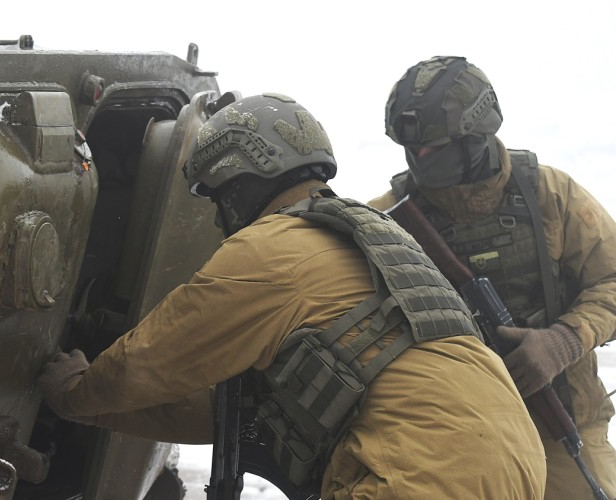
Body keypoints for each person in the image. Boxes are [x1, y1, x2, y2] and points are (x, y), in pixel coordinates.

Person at [39, 93, 546, 498]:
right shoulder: (371, 236)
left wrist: (73, 390)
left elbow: (147, 362)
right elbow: (224, 413)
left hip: (420, 472)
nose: (220, 218)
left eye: (218, 197)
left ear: (239, 180)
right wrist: (92, 410)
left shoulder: (268, 251)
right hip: (513, 458)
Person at [368, 55, 616, 499]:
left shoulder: (549, 195)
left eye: (433, 148)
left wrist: (564, 340)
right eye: (412, 150)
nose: (420, 159)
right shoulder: (387, 218)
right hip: (451, 437)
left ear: (478, 135)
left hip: (564, 419)